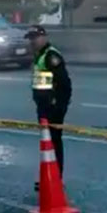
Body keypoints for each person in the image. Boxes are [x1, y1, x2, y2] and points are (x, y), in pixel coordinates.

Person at [26, 25, 71, 187]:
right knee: (47, 143)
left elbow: (65, 84)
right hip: (43, 106)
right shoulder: (40, 55)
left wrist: (59, 106)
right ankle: (48, 175)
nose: (32, 42)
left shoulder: (51, 55)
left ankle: (56, 177)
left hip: (53, 108)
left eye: (35, 38)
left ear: (43, 37)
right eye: (30, 38)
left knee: (54, 142)